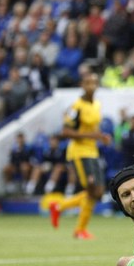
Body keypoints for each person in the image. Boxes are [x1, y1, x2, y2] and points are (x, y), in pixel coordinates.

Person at [48, 73, 112, 239]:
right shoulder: (76, 107)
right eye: (88, 83)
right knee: (91, 190)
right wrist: (94, 136)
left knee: (98, 192)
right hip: (80, 153)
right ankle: (79, 229)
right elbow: (66, 131)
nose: (92, 86)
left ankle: (59, 207)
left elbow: (93, 130)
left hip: (93, 151)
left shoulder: (97, 105)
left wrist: (102, 137)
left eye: (94, 82)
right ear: (82, 85)